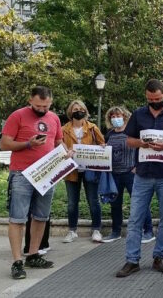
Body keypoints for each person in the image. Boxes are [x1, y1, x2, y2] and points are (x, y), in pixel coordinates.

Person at [116, 79, 163, 278]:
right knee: (135, 219)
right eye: (150, 100)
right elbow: (129, 140)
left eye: (157, 99)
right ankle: (132, 260)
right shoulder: (139, 114)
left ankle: (160, 256)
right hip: (142, 174)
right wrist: (142, 143)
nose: (154, 103)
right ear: (146, 97)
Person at [0, 86, 64, 279]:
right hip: (22, 173)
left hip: (46, 174)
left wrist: (66, 153)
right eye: (38, 105)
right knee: (18, 218)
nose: (42, 109)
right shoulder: (17, 116)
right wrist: (28, 144)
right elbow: (5, 143)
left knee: (41, 216)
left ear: (51, 102)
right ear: (30, 100)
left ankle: (34, 254)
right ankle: (17, 261)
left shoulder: (54, 118)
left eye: (46, 106)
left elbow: (58, 143)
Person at [102, 106, 154, 244]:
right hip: (114, 174)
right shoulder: (109, 134)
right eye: (112, 116)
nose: (115, 119)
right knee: (115, 204)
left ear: (125, 117)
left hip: (131, 172)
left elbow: (140, 149)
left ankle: (148, 231)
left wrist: (137, 166)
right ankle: (115, 232)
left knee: (139, 203)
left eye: (118, 116)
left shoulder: (132, 133)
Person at [61, 100, 106, 243]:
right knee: (72, 202)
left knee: (93, 200)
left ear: (85, 111)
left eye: (80, 108)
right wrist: (65, 151)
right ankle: (72, 231)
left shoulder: (92, 128)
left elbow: (102, 143)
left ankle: (96, 230)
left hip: (90, 169)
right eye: (75, 109)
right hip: (71, 170)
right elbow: (59, 147)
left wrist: (102, 147)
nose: (78, 111)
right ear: (70, 112)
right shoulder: (63, 129)